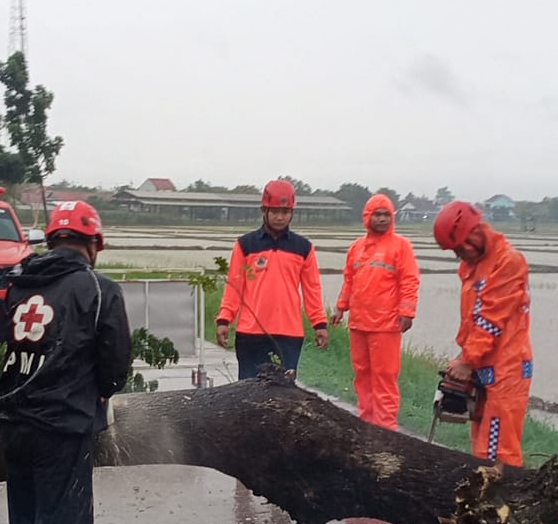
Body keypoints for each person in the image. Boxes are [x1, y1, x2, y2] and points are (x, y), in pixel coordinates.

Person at [0, 200, 132, 524]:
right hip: (62, 429)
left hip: (13, 424)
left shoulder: (18, 283)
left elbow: (5, 342)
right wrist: (101, 393)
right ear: (94, 243)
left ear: (50, 241)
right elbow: (115, 366)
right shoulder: (97, 288)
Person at [432, 201, 533, 470]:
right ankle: (480, 501)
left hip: (507, 367)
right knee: (481, 442)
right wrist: (463, 356)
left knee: (500, 449)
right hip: (483, 363)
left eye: (464, 244)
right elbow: (471, 321)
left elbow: (491, 319)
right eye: (456, 251)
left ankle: (504, 504)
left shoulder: (508, 262)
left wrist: (469, 360)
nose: (462, 252)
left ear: (477, 228)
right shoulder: (471, 266)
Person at [215, 179, 329, 380]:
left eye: (285, 212)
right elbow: (234, 286)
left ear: (292, 213)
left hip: (289, 334)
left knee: (284, 396)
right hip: (251, 333)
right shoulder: (245, 245)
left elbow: (312, 289)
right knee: (248, 393)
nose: (279, 217)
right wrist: (225, 319)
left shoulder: (304, 248)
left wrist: (319, 323)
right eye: (274, 211)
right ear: (264, 210)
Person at [331, 194, 420, 430]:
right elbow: (349, 280)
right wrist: (341, 308)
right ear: (367, 217)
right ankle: (367, 423)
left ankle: (385, 428)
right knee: (362, 375)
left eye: (386, 215)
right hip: (359, 323)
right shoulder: (357, 248)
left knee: (384, 377)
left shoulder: (401, 247)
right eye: (377, 215)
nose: (381, 219)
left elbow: (409, 280)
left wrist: (407, 311)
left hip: (386, 325)